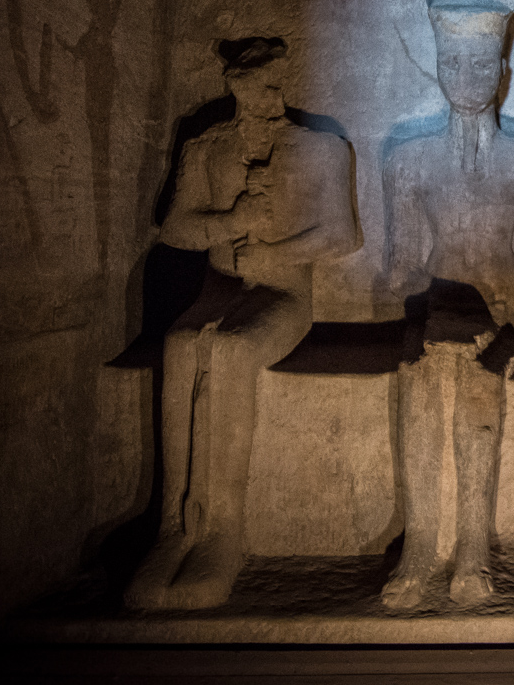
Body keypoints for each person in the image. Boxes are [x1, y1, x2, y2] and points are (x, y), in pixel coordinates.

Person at [125, 37, 360, 610]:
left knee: (230, 352)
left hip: (284, 295)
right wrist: (229, 222)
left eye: (273, 83)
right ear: (236, 87)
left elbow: (344, 235)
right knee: (182, 344)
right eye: (252, 85)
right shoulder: (209, 148)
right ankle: (176, 526)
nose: (265, 95)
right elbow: (176, 228)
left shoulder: (318, 149)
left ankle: (221, 526)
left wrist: (278, 254)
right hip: (220, 290)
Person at [381, 7, 514, 608]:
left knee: (477, 391)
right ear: (437, 66)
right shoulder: (409, 160)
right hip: (436, 314)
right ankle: (421, 542)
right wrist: (416, 311)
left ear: (503, 71)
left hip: (499, 316)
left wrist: (512, 322)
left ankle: (474, 547)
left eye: (481, 62)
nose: (467, 74)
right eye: (453, 61)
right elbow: (402, 262)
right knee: (423, 389)